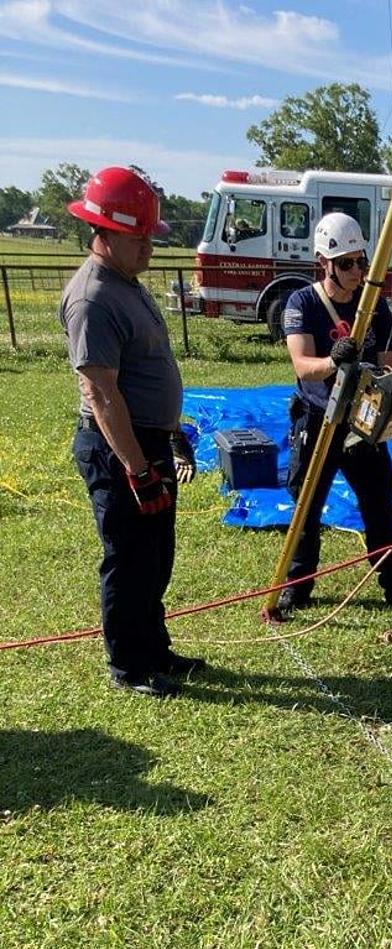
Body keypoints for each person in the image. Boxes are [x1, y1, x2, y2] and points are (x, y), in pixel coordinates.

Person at [61, 166, 204, 698]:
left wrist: (168, 435)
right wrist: (137, 469)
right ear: (106, 232)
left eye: (150, 236)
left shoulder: (127, 283)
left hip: (148, 443)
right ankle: (128, 664)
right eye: (139, 236)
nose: (148, 246)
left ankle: (154, 646)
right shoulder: (93, 298)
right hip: (120, 449)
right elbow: (102, 393)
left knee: (156, 553)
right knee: (128, 555)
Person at [277, 212, 392, 620]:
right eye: (346, 263)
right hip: (318, 418)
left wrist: (386, 384)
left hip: (361, 423)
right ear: (323, 262)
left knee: (378, 506)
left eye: (361, 261)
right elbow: (303, 366)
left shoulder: (375, 307)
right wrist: (333, 361)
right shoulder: (302, 302)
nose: (357, 271)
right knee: (307, 506)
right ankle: (296, 588)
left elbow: (389, 363)